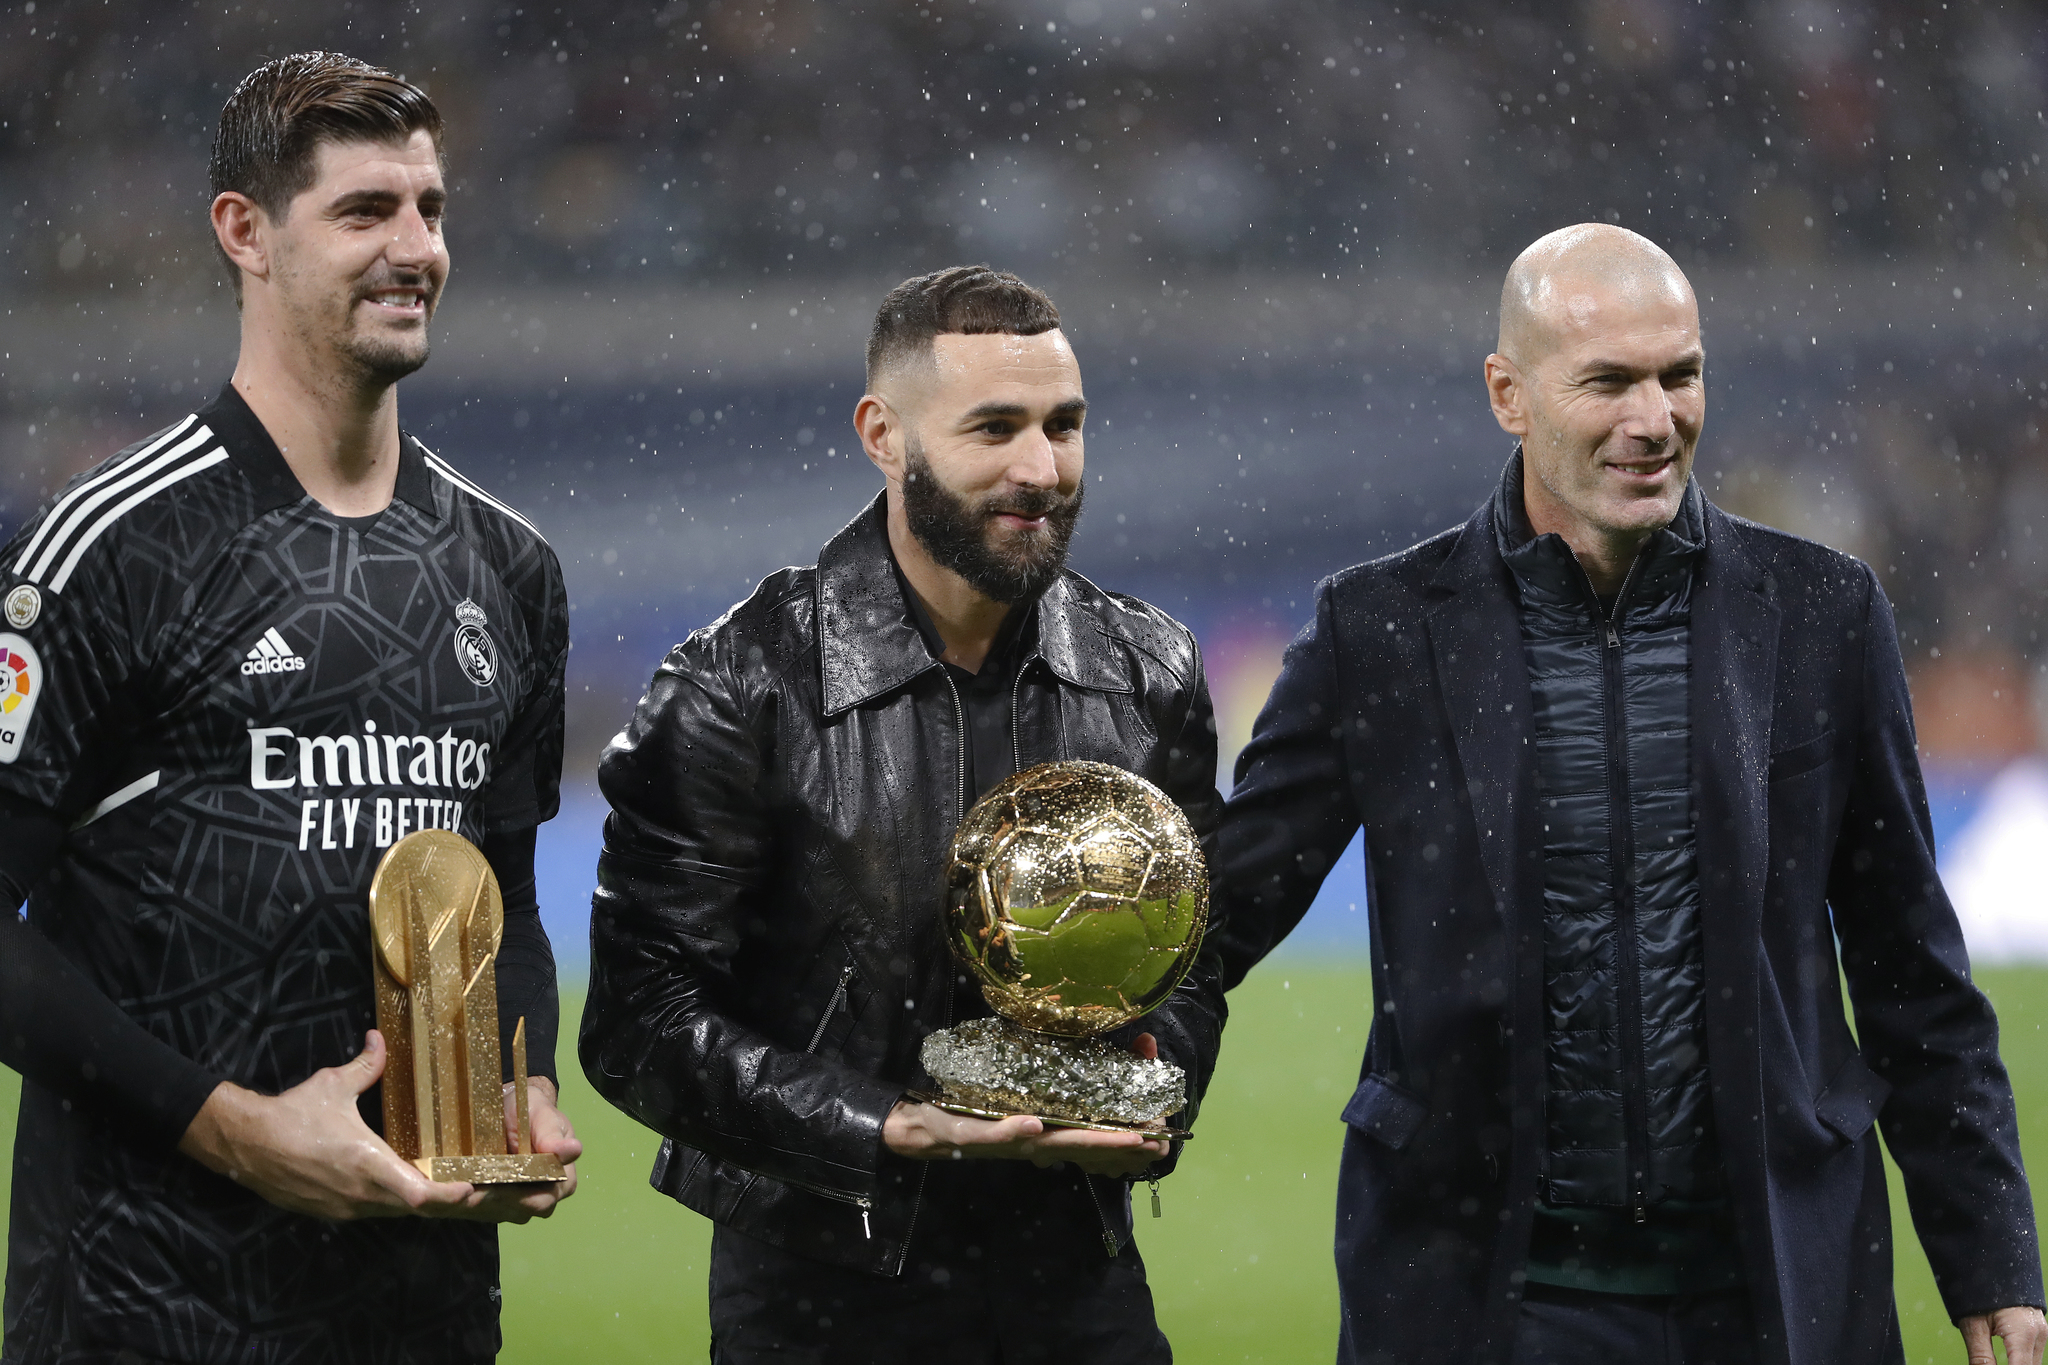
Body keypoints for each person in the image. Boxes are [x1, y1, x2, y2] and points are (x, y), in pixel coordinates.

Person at [1204, 223, 2046, 1364]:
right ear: (1507, 394)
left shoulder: (1822, 614)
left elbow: (1911, 969)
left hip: (1770, 1288)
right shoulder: (1380, 630)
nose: (1653, 419)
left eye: (1678, 375)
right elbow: (1224, 909)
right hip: (1486, 1299)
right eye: (1606, 382)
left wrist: (1990, 1254)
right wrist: (1089, 1059)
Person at [0, 53, 581, 1362]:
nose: (415, 248)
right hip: (144, 1309)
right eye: (365, 210)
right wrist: (232, 1129)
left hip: (423, 1312)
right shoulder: (116, 546)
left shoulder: (507, 566)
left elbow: (504, 897)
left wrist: (523, 1088)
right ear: (245, 233)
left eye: (430, 209)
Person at [580, 265, 1222, 1363]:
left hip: (1075, 1284)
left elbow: (1193, 958)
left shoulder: (1149, 671)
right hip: (821, 1298)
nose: (1041, 469)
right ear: (885, 436)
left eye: (1064, 426)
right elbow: (638, 1019)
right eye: (995, 428)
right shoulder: (741, 684)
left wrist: (1147, 1098)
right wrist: (885, 1127)